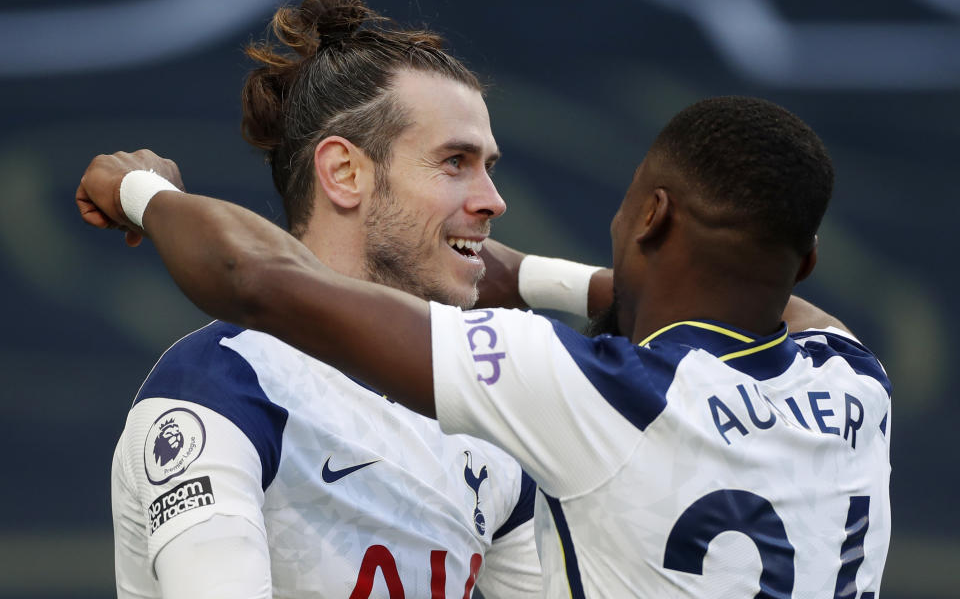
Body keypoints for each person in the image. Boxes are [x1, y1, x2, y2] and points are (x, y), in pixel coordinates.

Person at [78, 96, 892, 596]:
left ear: (650, 216)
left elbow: (256, 280)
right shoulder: (858, 384)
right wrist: (532, 278)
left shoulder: (590, 393)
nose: (492, 200)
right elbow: (790, 314)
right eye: (456, 164)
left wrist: (140, 191)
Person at [105, 0, 549, 599]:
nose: (493, 201)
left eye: (489, 166)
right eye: (455, 162)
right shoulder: (220, 388)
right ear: (344, 173)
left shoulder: (485, 417)